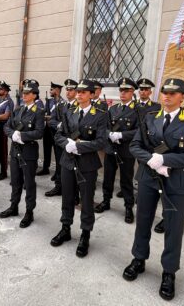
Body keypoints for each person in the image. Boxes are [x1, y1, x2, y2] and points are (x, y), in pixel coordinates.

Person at [122, 78, 184, 301]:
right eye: (164, 91)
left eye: (173, 92)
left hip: (177, 182)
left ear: (183, 97)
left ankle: (169, 272)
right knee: (143, 220)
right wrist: (152, 160)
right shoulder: (150, 118)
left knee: (174, 228)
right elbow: (135, 145)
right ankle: (139, 259)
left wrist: (165, 160)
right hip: (149, 177)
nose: (166, 96)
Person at [50, 79, 109, 257]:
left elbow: (101, 141)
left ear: (92, 94)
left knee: (86, 200)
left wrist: (79, 147)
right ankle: (65, 228)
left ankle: (85, 234)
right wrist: (66, 143)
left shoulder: (100, 114)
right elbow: (59, 135)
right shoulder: (69, 111)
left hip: (87, 164)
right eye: (78, 91)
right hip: (68, 161)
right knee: (67, 197)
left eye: (84, 92)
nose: (79, 94)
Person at [0, 80, 44, 228]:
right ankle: (14, 206)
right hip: (15, 150)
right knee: (15, 181)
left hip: (28, 152)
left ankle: (29, 212)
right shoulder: (18, 109)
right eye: (23, 93)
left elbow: (39, 132)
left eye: (27, 93)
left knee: (29, 183)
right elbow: (7, 126)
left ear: (34, 95)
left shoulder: (38, 111)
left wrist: (22, 136)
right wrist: (13, 135)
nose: (24, 95)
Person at [95, 78, 139, 224]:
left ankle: (128, 207)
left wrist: (122, 135)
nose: (123, 93)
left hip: (126, 150)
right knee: (108, 177)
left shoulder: (137, 110)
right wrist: (109, 134)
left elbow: (139, 131)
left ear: (132, 92)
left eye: (126, 91)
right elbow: (104, 127)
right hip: (111, 148)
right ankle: (106, 201)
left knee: (126, 180)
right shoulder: (113, 109)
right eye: (121, 90)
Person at [47, 78, 79, 198]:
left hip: (73, 141)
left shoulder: (79, 106)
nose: (68, 92)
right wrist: (59, 125)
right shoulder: (61, 105)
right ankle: (59, 186)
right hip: (61, 140)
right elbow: (52, 121)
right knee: (60, 164)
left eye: (71, 90)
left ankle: (75, 192)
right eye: (67, 90)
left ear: (76, 91)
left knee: (74, 166)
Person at [37, 82, 63, 178]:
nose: (51, 91)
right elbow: (45, 112)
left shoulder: (62, 102)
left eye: (52, 89)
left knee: (57, 151)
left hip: (56, 130)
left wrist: (50, 118)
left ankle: (58, 171)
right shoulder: (49, 101)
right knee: (46, 149)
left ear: (57, 90)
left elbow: (61, 117)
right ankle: (45, 168)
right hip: (47, 129)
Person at [0, 80, 14, 181]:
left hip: (3, 127)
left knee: (2, 150)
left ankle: (3, 171)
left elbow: (6, 115)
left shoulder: (9, 101)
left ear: (5, 91)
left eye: (1, 89)